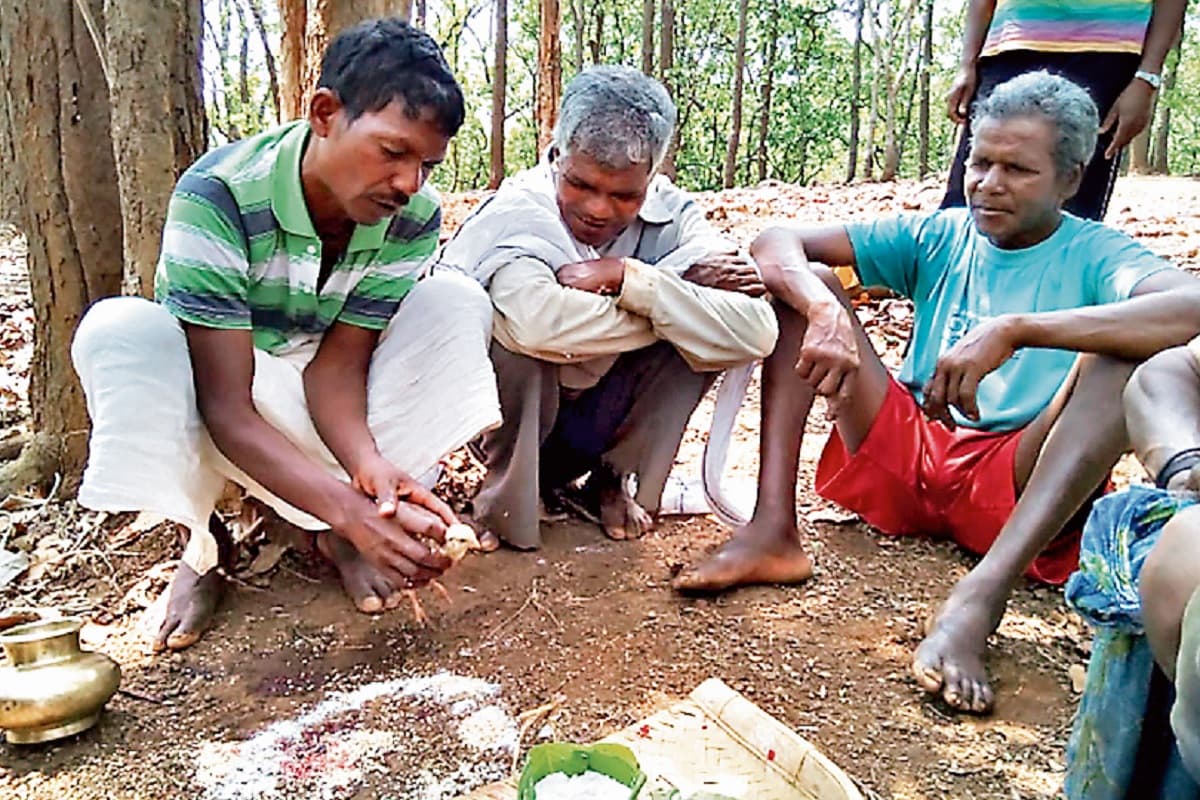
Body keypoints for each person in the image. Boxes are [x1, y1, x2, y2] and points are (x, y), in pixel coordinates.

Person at [675, 71, 1200, 714]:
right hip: (908, 453)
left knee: (1124, 355)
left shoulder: (1096, 253)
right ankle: (772, 531)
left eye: (1018, 169)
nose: (989, 183)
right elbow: (775, 241)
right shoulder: (941, 233)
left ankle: (979, 599)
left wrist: (1018, 330)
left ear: (1070, 178)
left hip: (1015, 482)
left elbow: (1192, 307)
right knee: (805, 286)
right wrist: (829, 310)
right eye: (980, 161)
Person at [70, 18, 501, 651]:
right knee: (121, 334)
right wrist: (347, 509)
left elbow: (337, 368)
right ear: (324, 114)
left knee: (454, 302)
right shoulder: (216, 196)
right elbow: (226, 407)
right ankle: (204, 544)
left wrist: (369, 474)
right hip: (229, 381)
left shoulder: (410, 218)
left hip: (315, 381)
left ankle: (335, 528)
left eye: (427, 165)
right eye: (392, 152)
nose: (409, 184)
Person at [433, 66, 778, 550]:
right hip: (513, 420)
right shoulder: (520, 211)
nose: (598, 209)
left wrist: (633, 280)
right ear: (556, 157)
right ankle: (506, 496)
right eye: (581, 184)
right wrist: (673, 294)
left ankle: (615, 480)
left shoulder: (675, 216)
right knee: (517, 337)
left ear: (652, 180)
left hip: (603, 410)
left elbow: (758, 330)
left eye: (624, 195)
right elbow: (537, 324)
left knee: (696, 331)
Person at [942, 0, 1186, 220]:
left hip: (1109, 51)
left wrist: (1147, 76)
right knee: (965, 204)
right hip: (1011, 42)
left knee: (1071, 205)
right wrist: (967, 63)